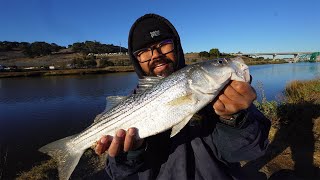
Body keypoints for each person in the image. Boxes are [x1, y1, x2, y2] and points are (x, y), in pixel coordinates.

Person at [95, 13, 271, 180]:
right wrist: (130, 153)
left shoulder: (223, 92)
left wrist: (235, 119)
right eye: (144, 52)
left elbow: (252, 149)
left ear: (176, 46)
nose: (156, 55)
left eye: (164, 43)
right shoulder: (129, 105)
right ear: (136, 60)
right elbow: (116, 174)